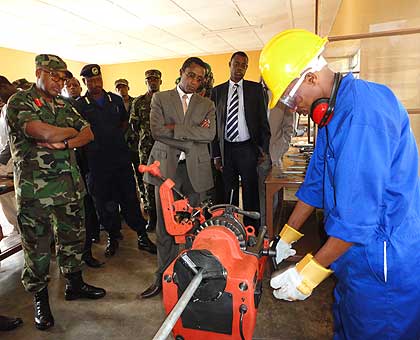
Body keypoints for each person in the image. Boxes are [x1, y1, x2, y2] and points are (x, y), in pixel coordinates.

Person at [259, 29, 420, 339]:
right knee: (347, 325)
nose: (293, 107)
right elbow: (316, 181)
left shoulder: (363, 114)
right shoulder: (332, 114)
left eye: (292, 98)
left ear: (310, 78)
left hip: (383, 264)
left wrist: (306, 276)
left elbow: (357, 220)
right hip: (352, 258)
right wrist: (286, 236)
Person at [6, 54, 106, 331]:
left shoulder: (62, 103)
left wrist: (64, 143)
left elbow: (88, 134)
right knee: (37, 248)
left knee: (73, 237)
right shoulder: (19, 102)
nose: (60, 82)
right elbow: (41, 131)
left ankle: (74, 284)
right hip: (35, 191)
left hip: (69, 187)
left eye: (63, 78)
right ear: (39, 72)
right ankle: (41, 300)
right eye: (55, 77)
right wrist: (67, 132)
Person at [140, 57, 215, 298]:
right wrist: (193, 135)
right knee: (164, 228)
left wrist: (175, 128)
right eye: (191, 75)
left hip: (196, 170)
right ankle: (163, 277)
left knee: (195, 225)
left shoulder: (207, 104)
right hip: (165, 170)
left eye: (200, 78)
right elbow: (157, 131)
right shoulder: (160, 98)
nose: (195, 81)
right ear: (181, 72)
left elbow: (210, 134)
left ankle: (192, 278)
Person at [75, 64, 156, 258]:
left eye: (98, 79)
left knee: (130, 199)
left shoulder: (115, 100)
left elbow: (124, 123)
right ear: (85, 82)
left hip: (120, 161)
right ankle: (113, 236)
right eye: (91, 81)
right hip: (97, 164)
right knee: (104, 203)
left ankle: (142, 236)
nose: (96, 83)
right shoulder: (79, 105)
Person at [211, 51, 270, 230]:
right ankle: (231, 228)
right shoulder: (217, 92)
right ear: (230, 64)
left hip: (248, 149)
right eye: (237, 64)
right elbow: (215, 126)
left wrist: (263, 149)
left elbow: (263, 122)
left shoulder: (255, 90)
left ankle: (252, 230)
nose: (240, 68)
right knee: (229, 192)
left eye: (244, 65)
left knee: (251, 191)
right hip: (226, 149)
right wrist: (216, 154)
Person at [63, 76, 102, 267]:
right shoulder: (28, 105)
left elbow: (86, 133)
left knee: (84, 211)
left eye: (73, 84)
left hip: (78, 165)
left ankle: (86, 253)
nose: (71, 87)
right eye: (66, 85)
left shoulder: (69, 105)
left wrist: (61, 139)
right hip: (58, 174)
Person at [129, 69, 162, 231]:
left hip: (164, 150)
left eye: (155, 79)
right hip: (146, 150)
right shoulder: (138, 102)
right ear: (146, 82)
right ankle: (153, 218)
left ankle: (166, 217)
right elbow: (134, 126)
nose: (152, 82)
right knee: (149, 184)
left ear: (160, 82)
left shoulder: (167, 100)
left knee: (165, 182)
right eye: (149, 79)